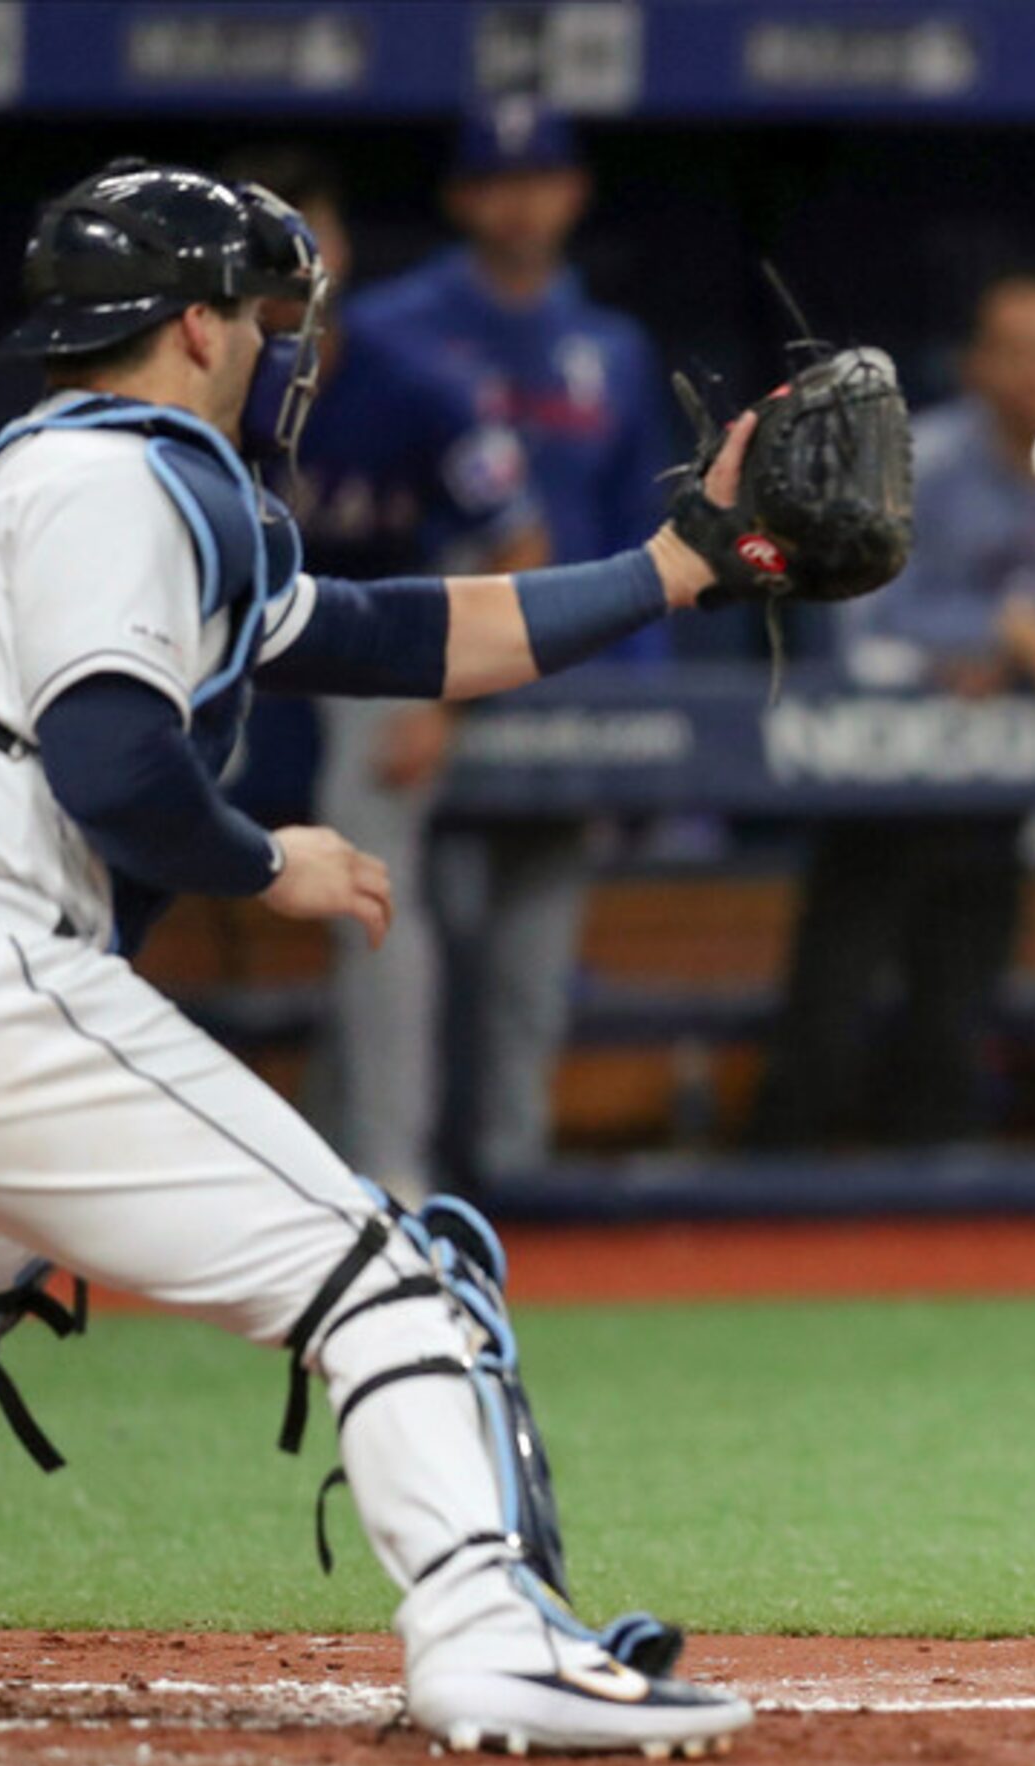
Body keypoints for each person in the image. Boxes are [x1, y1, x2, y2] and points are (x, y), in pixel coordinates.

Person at [0, 158, 790, 1752]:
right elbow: (114, 760)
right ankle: (487, 1633)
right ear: (198, 326)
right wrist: (266, 857)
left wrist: (675, 565)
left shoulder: (81, 478)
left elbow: (391, 631)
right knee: (389, 1276)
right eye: (270, 314)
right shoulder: (111, 481)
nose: (289, 346)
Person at [752, 271, 1035, 1147]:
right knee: (843, 958)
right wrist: (994, 635)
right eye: (1012, 350)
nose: (1034, 371)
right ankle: (795, 1146)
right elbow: (859, 611)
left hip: (1023, 776)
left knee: (964, 967)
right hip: (884, 771)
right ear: (974, 366)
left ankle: (933, 1148)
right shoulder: (917, 459)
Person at [352, 96, 673, 1181]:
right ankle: (389, 1184)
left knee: (533, 964)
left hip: (567, 672)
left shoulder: (613, 348)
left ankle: (514, 1179)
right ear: (460, 198)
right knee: (405, 944)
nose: (521, 202)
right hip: (423, 665)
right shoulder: (394, 330)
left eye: (541, 178)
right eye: (497, 180)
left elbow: (645, 535)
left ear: (574, 193)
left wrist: (645, 712)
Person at [226, 145, 550, 1201]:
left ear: (340, 253)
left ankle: (391, 1175)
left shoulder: (410, 380)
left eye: (300, 248)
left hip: (359, 652)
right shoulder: (172, 384)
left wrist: (445, 702)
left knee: (374, 869)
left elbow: (520, 543)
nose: (281, 277)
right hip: (211, 646)